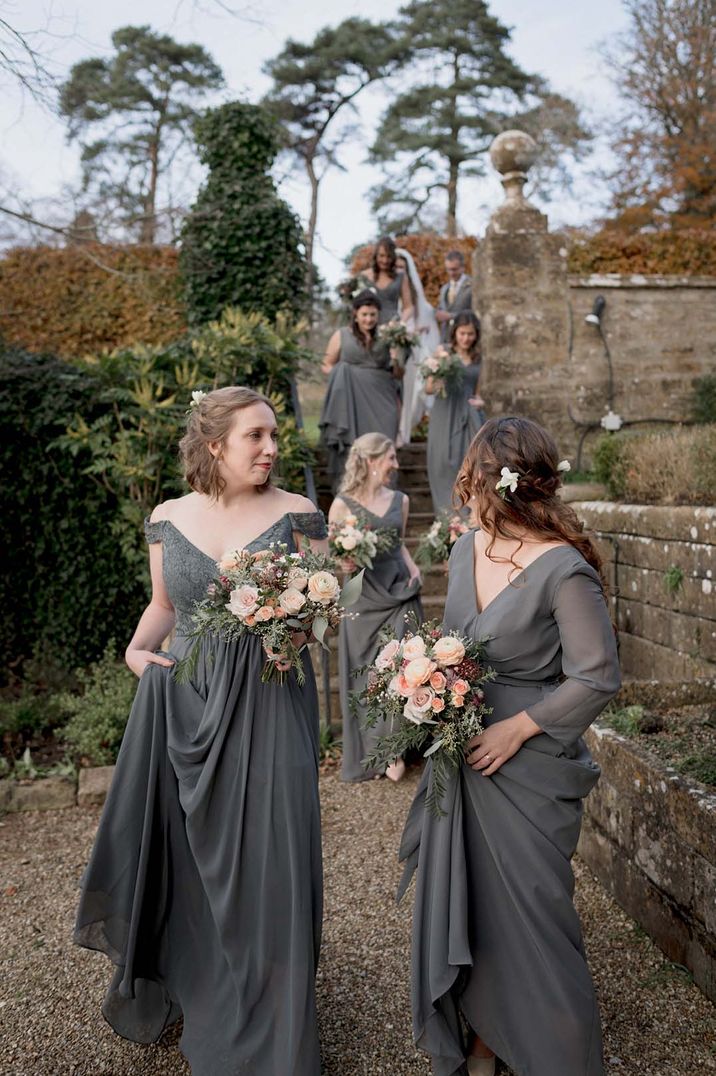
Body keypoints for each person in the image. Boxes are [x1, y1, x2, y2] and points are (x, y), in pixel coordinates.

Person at [74, 387, 327, 1076]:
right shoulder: (167, 517)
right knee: (188, 853)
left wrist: (296, 636)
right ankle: (202, 980)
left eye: (275, 434)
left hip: (271, 700)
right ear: (216, 445)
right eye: (257, 436)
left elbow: (325, 609)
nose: (273, 447)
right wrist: (134, 650)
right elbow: (162, 606)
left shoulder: (300, 516)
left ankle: (276, 1012)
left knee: (273, 849)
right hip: (184, 699)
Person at [398, 416, 621, 1076]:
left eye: (472, 473)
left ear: (499, 480)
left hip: (527, 768)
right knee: (473, 910)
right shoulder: (465, 549)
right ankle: (485, 1043)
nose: (462, 486)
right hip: (460, 759)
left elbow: (598, 676)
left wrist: (518, 728)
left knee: (534, 922)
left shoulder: (563, 569)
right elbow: (453, 647)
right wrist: (422, 681)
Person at [328, 432, 423, 783]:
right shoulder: (341, 505)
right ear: (370, 461)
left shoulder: (402, 499)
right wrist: (345, 565)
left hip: (399, 593)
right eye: (391, 458)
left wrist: (414, 572)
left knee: (400, 670)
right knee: (367, 676)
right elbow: (337, 557)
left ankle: (394, 749)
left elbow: (399, 546)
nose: (396, 465)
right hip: (363, 599)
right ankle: (373, 749)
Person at [319, 290, 401, 487]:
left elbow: (398, 374)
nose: (369, 319)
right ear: (355, 314)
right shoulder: (341, 335)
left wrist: (397, 356)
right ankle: (351, 494)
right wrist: (343, 375)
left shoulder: (388, 335)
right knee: (353, 448)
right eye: (364, 314)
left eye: (373, 314)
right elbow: (326, 364)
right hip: (351, 400)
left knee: (384, 445)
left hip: (383, 399)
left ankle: (384, 493)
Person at [425, 310, 485, 513]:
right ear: (455, 333)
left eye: (470, 334)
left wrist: (480, 402)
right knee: (442, 464)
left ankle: (471, 518)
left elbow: (477, 393)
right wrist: (439, 370)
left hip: (470, 417)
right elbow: (429, 388)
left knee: (471, 466)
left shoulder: (478, 359)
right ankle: (448, 521)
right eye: (462, 333)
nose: (466, 338)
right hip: (445, 413)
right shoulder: (444, 353)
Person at [395, 248, 439, 444]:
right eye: (395, 267)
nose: (399, 271)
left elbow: (426, 319)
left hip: (412, 351)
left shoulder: (414, 296)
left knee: (409, 392)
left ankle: (404, 433)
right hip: (391, 350)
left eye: (402, 267)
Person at [361, 235, 414, 325]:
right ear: (376, 255)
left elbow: (408, 307)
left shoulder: (400, 276)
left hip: (391, 327)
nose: (385, 260)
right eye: (381, 256)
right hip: (369, 325)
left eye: (388, 256)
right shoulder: (364, 276)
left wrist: (400, 324)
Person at [436, 250, 473, 343]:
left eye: (454, 269)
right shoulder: (444, 288)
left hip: (465, 339)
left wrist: (451, 316)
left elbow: (475, 312)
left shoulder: (473, 286)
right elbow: (441, 309)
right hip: (446, 338)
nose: (451, 273)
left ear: (463, 268)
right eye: (448, 269)